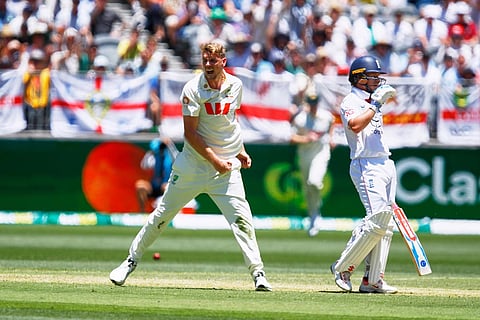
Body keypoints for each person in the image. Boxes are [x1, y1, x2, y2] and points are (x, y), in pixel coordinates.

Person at [109, 42, 272, 292]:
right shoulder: (192, 89)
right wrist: (216, 161)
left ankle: (258, 274)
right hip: (193, 167)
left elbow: (229, 123)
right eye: (204, 59)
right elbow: (191, 134)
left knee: (242, 221)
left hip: (226, 170)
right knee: (161, 216)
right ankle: (130, 261)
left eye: (212, 60)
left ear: (223, 62)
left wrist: (240, 151)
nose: (207, 64)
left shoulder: (235, 86)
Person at [330, 55, 398, 294]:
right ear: (359, 78)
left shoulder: (370, 99)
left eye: (379, 77)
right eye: (373, 77)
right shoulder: (351, 100)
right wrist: (376, 105)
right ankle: (342, 268)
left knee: (385, 225)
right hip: (365, 164)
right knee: (376, 220)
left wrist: (377, 101)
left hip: (385, 162)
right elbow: (355, 126)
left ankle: (372, 280)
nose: (378, 81)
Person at [290, 93, 334, 237]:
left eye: (316, 103)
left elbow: (332, 122)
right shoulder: (301, 119)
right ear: (307, 103)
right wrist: (306, 139)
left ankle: (316, 214)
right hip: (305, 155)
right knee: (307, 187)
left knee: (314, 182)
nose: (314, 106)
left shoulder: (325, 116)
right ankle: (313, 215)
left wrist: (331, 138)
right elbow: (292, 138)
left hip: (321, 153)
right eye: (311, 103)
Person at [135, 138, 175, 213]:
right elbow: (144, 165)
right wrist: (152, 151)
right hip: (154, 185)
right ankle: (142, 211)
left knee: (166, 187)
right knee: (140, 185)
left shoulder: (170, 155)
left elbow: (176, 160)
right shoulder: (154, 156)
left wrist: (169, 146)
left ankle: (168, 212)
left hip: (166, 183)